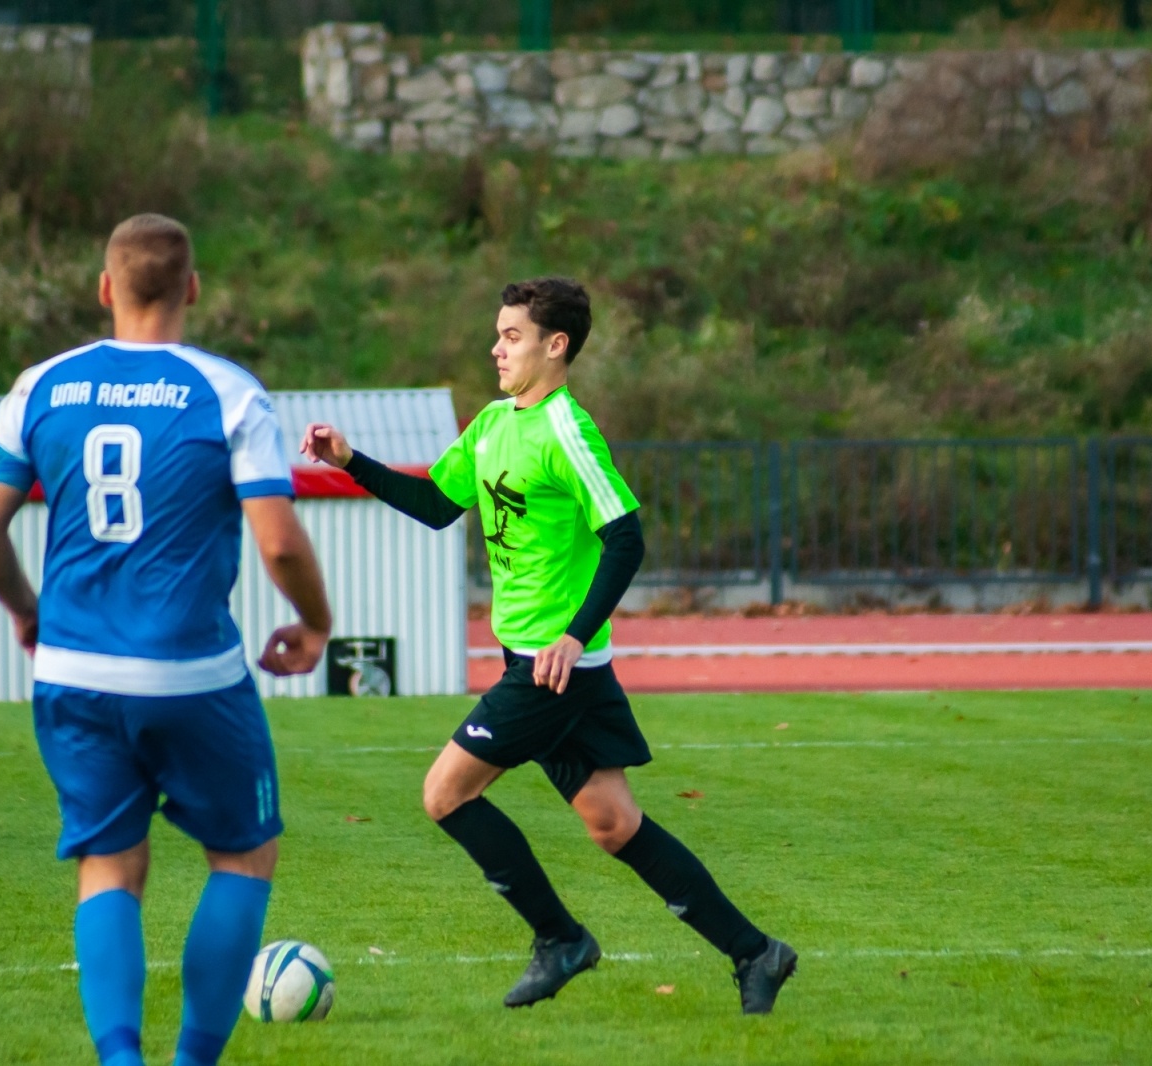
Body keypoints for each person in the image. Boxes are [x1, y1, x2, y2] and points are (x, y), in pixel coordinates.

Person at [301, 276, 795, 1014]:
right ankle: (758, 953)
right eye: (498, 334)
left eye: (512, 336)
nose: (496, 348)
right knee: (614, 824)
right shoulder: (497, 422)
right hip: (540, 664)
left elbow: (625, 537)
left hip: (552, 668)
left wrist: (571, 633)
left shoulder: (569, 428)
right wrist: (350, 461)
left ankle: (560, 939)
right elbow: (438, 505)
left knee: (444, 794)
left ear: (554, 344)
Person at [0, 214, 332, 1066]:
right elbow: (277, 540)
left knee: (109, 868)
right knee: (242, 856)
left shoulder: (41, 385)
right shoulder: (228, 391)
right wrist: (315, 622)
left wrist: (26, 608)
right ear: (192, 288)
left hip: (74, 671)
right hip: (190, 671)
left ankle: (121, 1060)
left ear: (105, 288)